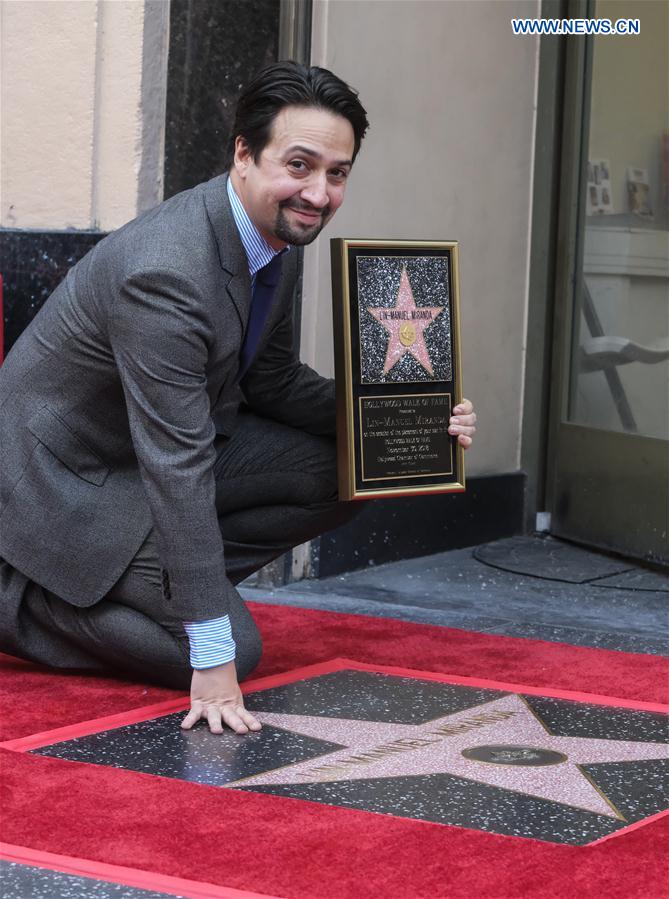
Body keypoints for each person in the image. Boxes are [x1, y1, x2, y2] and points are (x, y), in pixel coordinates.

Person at [0, 62, 477, 736]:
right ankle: (26, 600)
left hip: (150, 462)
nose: (318, 192)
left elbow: (273, 383)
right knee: (234, 649)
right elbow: (176, 460)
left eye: (336, 173)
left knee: (351, 465)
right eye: (300, 165)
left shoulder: (274, 231)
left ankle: (166, 579)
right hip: (65, 488)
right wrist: (213, 650)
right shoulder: (163, 271)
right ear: (244, 154)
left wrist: (413, 419)